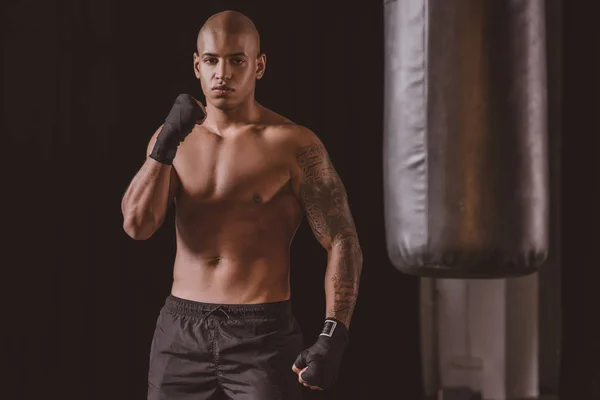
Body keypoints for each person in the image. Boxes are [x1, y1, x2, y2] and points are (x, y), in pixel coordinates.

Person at [121, 10, 363, 400]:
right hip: (180, 329)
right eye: (213, 60)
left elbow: (342, 239)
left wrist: (334, 333)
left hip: (261, 333)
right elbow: (137, 225)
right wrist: (166, 142)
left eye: (237, 60)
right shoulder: (173, 139)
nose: (223, 73)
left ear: (259, 66)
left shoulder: (294, 145)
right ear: (197, 66)